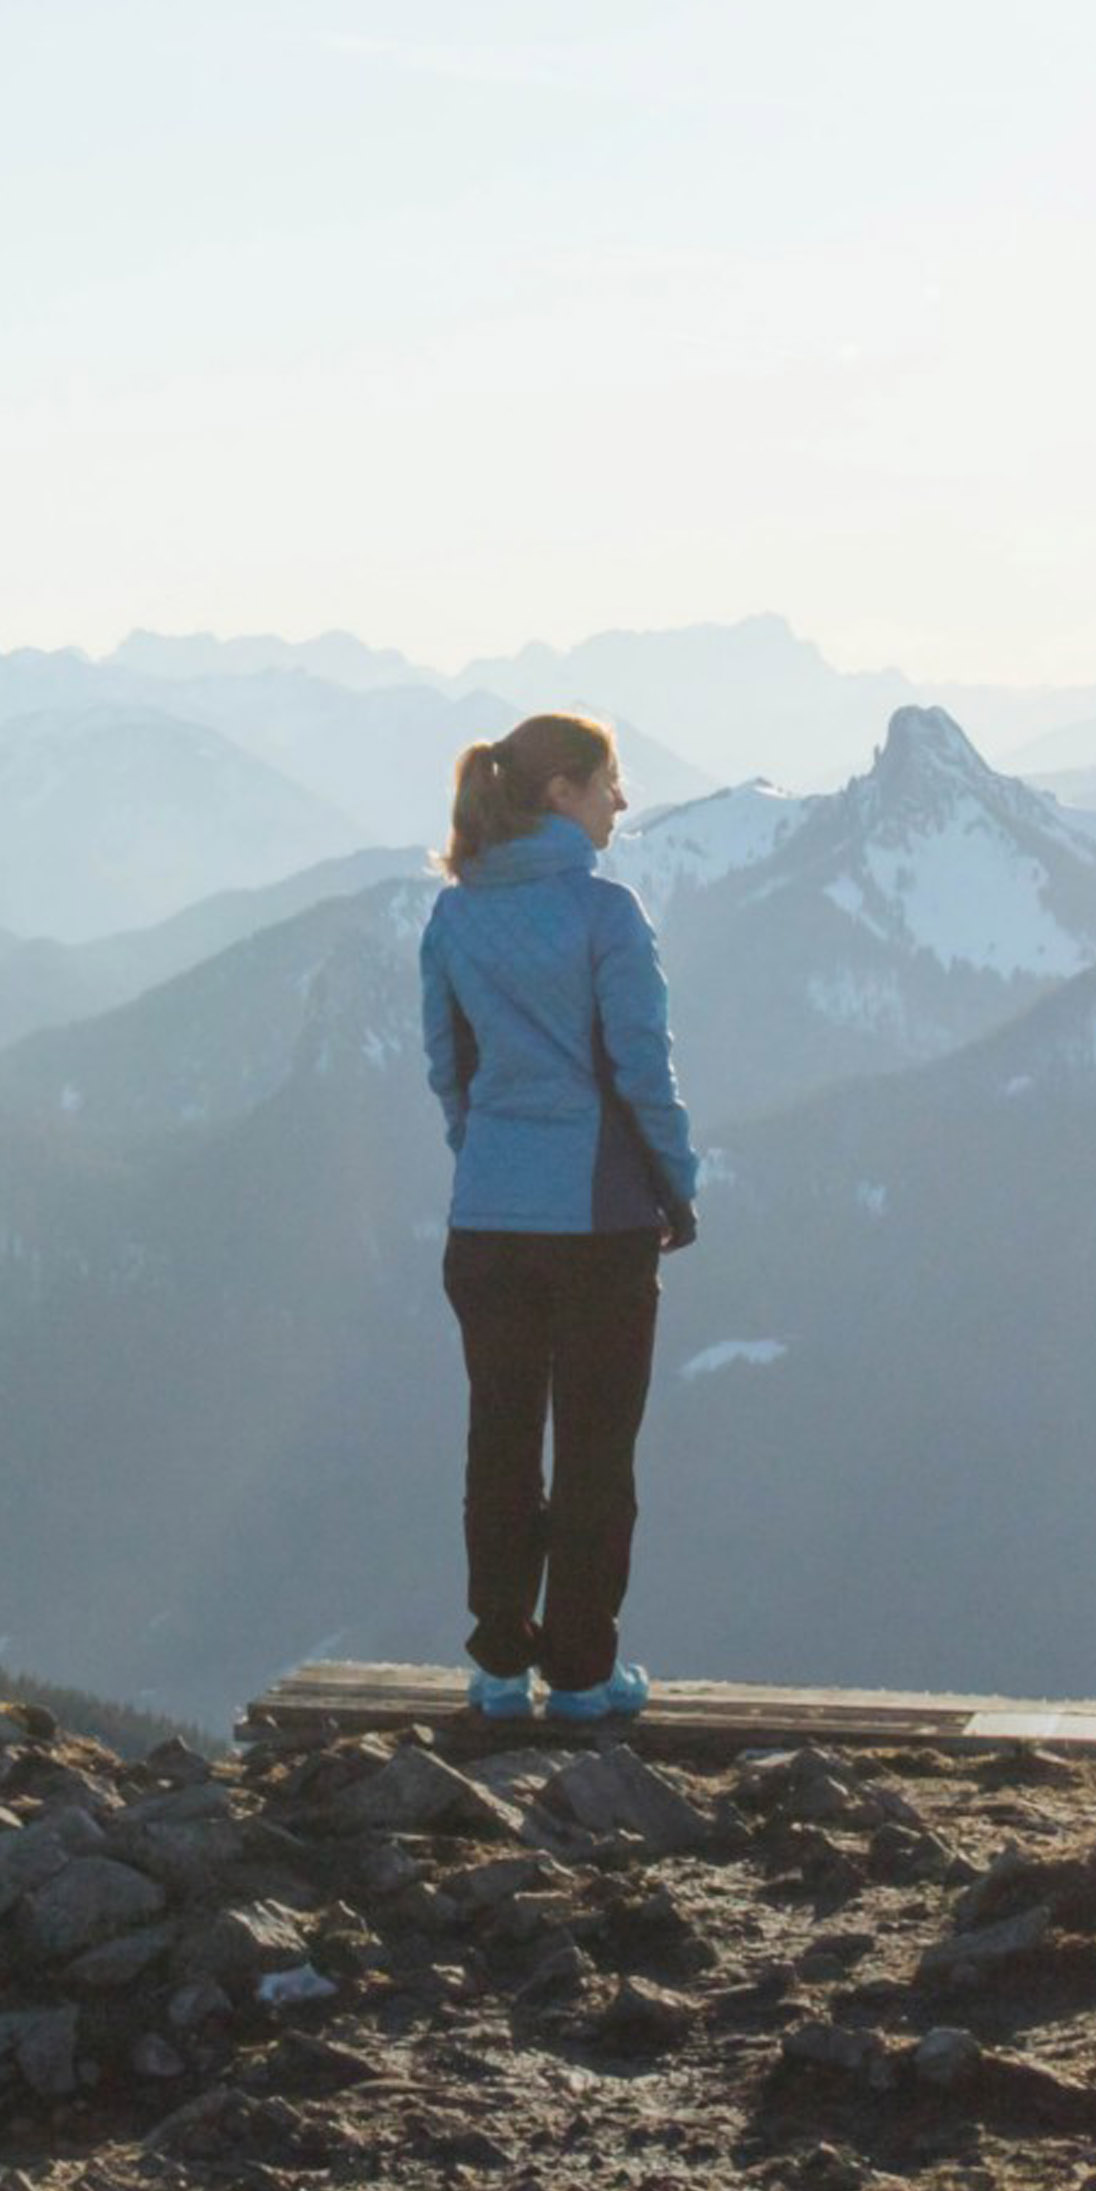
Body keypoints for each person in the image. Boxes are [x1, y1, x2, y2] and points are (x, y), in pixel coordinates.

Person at [418, 711, 701, 1724]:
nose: (621, 802)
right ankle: (582, 1676)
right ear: (561, 795)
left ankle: (498, 1669)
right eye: (608, 783)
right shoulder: (605, 914)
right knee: (593, 1451)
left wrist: (488, 1160)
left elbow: (450, 1069)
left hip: (486, 1219)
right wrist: (676, 1184)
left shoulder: (453, 917)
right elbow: (642, 1071)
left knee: (498, 1441)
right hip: (600, 1224)